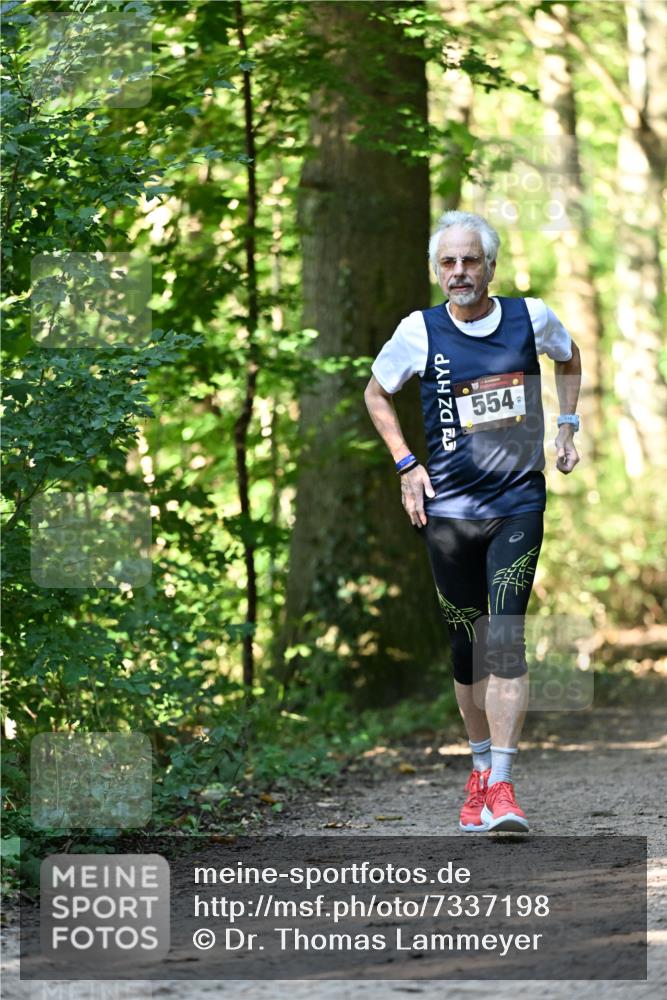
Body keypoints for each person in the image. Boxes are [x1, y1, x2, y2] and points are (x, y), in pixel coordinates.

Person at [364, 211, 581, 833]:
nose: (459, 273)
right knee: (467, 649)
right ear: (439, 271)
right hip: (449, 513)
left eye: (470, 261)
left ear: (491, 265)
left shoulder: (530, 317)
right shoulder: (419, 330)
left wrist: (567, 427)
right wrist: (407, 464)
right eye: (448, 263)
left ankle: (506, 788)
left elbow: (572, 362)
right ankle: (480, 769)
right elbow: (376, 393)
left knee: (504, 637)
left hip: (518, 503)